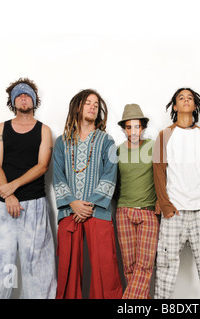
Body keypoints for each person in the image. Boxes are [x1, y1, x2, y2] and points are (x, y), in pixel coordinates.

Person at [0, 78, 56, 298]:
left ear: (34, 100)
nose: (23, 98)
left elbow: (43, 166)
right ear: (13, 102)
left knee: (39, 269)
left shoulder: (44, 130)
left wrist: (13, 187)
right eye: (19, 95)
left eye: (27, 94)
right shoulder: (1, 128)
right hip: (3, 206)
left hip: (35, 205)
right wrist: (9, 195)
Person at [52, 89, 123, 299]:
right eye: (88, 103)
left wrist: (88, 206)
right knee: (68, 269)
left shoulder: (106, 140)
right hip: (69, 212)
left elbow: (111, 175)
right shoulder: (62, 141)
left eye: (96, 104)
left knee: (105, 269)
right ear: (77, 106)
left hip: (97, 212)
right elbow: (57, 176)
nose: (93, 107)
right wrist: (73, 203)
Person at [153, 88, 200, 299]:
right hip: (174, 211)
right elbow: (159, 172)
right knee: (165, 266)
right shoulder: (164, 136)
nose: (186, 100)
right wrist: (165, 205)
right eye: (181, 98)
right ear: (174, 106)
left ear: (195, 105)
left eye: (190, 97)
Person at [115, 104, 160, 299]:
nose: (133, 131)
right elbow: (113, 182)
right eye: (128, 127)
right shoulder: (117, 151)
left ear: (143, 127)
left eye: (137, 127)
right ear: (124, 129)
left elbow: (164, 175)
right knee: (129, 267)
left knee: (145, 265)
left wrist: (160, 199)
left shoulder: (153, 146)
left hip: (148, 212)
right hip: (123, 211)